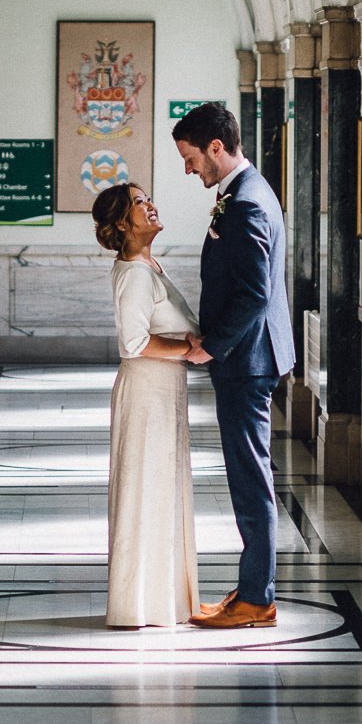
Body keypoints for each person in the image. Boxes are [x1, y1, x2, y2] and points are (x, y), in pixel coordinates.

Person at [172, 101, 296, 629]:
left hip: (248, 359)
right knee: (249, 476)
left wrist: (212, 345)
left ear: (216, 149)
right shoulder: (248, 191)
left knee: (250, 480)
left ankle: (257, 598)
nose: (187, 169)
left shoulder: (245, 204)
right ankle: (251, 587)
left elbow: (253, 293)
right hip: (252, 354)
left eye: (190, 157)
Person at [92, 180, 201, 628]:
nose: (151, 205)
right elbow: (133, 342)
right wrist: (190, 350)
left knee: (163, 491)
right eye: (139, 203)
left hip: (164, 390)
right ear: (122, 222)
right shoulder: (135, 273)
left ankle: (162, 599)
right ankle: (137, 603)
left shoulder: (149, 265)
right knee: (146, 491)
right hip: (147, 394)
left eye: (148, 197)